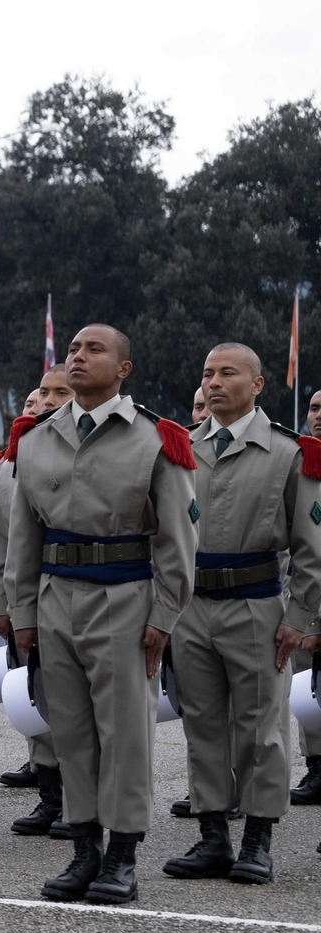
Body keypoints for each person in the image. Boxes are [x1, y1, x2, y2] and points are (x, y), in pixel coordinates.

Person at [9, 324, 196, 905]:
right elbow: (23, 534)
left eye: (94, 350)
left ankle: (122, 857)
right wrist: (23, 613)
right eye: (73, 350)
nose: (78, 357)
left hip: (125, 594)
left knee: (125, 735)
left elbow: (177, 539)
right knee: (70, 730)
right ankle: (84, 850)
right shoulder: (37, 439)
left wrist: (165, 615)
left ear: (124, 369)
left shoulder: (155, 439)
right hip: (56, 595)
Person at [160, 344, 319, 884]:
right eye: (208, 373)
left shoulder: (288, 453)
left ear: (258, 385)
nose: (215, 382)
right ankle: (212, 838)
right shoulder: (180, 448)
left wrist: (300, 615)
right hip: (192, 605)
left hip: (255, 603)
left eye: (229, 373)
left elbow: (310, 546)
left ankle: (257, 840)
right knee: (202, 725)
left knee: (259, 728)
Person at [0, 365, 74, 836]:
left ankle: (82, 801)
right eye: (44, 392)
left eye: (61, 392)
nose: (49, 400)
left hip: (80, 591)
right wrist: (2, 603)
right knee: (38, 700)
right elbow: (0, 539)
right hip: (30, 599)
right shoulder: (14, 460)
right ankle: (50, 794)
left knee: (79, 708)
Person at [293, 390, 321, 805]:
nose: (319, 416)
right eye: (315, 407)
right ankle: (316, 767)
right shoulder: (301, 465)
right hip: (304, 595)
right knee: (306, 688)